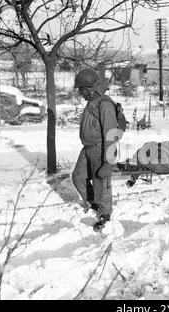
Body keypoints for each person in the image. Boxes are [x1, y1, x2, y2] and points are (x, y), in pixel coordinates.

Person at [72, 68, 118, 230]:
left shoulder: (104, 104)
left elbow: (112, 134)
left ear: (90, 88)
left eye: (82, 90)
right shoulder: (92, 102)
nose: (80, 93)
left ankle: (105, 215)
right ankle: (94, 205)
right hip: (88, 148)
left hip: (100, 148)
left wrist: (108, 161)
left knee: (101, 181)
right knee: (78, 176)